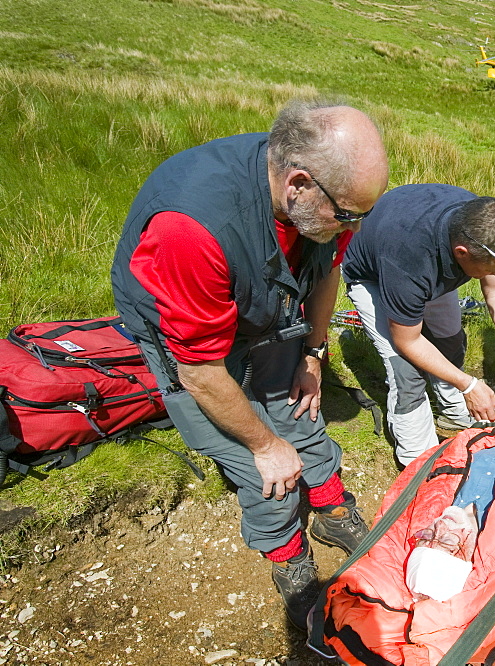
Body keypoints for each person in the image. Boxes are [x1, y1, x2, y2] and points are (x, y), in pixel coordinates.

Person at [111, 100, 389, 630]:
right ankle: (285, 555)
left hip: (266, 302)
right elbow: (199, 369)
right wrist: (265, 446)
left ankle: (331, 510)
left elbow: (327, 270)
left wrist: (313, 351)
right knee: (262, 467)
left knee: (301, 406)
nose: (355, 226)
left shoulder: (326, 204)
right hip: (191, 328)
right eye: (349, 215)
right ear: (298, 183)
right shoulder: (191, 228)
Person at [341, 183, 495, 466]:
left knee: (450, 339)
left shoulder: (482, 223)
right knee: (406, 370)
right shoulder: (409, 257)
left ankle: (453, 411)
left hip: (426, 270)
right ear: (462, 253)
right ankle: (417, 461)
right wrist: (468, 384)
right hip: (374, 276)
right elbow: (408, 341)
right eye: (492, 268)